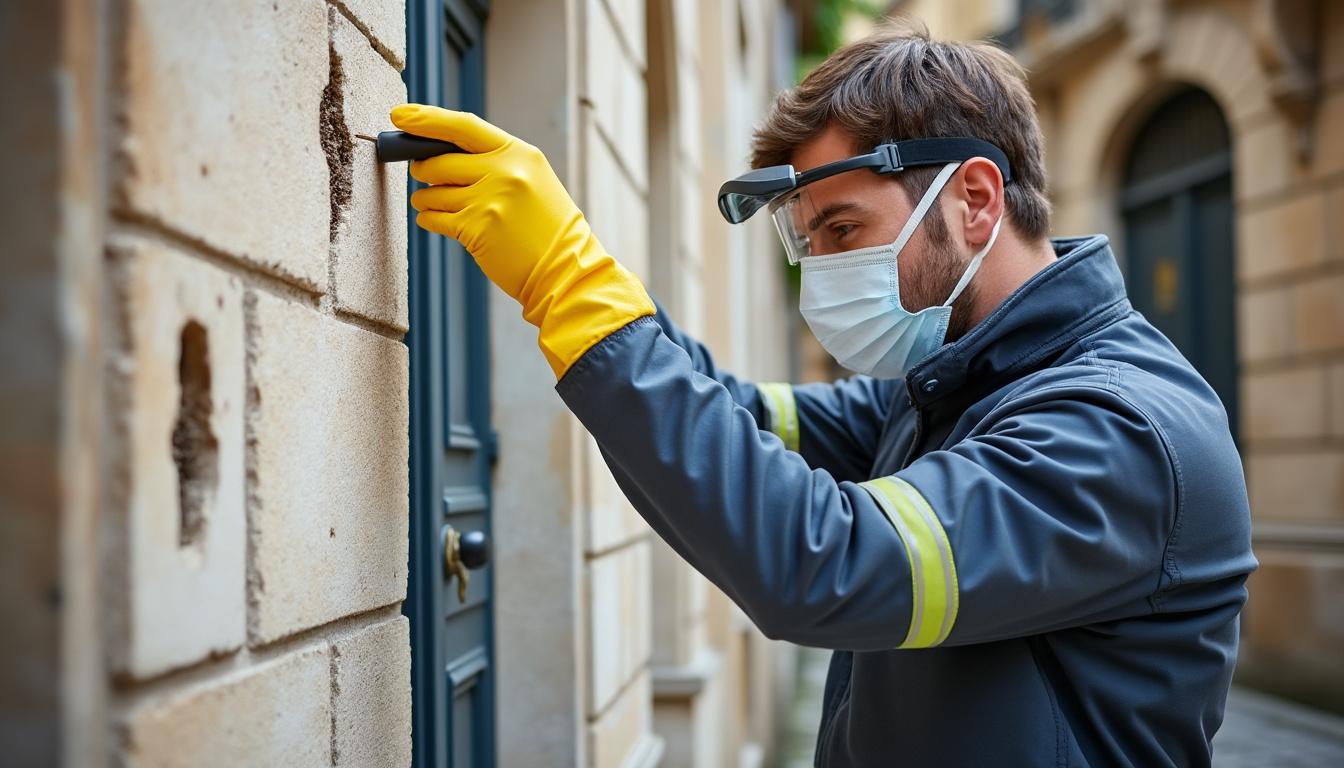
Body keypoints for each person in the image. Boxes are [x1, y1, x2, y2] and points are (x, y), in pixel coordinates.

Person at [391, 24, 1256, 768]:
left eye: (843, 228)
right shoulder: (950, 387)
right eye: (810, 242)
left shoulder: (1117, 429)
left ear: (975, 199)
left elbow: (825, 563)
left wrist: (567, 281)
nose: (825, 272)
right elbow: (730, 413)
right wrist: (586, 273)